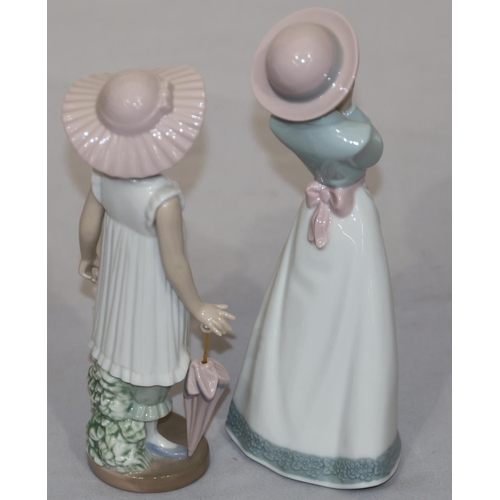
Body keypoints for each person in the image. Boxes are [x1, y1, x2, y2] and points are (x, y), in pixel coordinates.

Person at [226, 8, 400, 489]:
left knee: (298, 316)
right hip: (349, 223)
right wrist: (347, 106)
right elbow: (374, 145)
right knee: (352, 321)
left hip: (314, 217)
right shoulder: (352, 135)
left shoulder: (281, 126)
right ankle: (339, 442)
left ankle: (276, 424)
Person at [63, 67, 234, 466]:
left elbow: (88, 225)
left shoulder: (102, 176)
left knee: (120, 345)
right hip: (152, 288)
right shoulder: (163, 198)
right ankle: (148, 434)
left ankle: (129, 426)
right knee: (149, 356)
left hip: (118, 282)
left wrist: (87, 256)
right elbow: (174, 263)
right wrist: (197, 307)